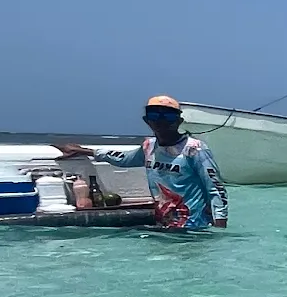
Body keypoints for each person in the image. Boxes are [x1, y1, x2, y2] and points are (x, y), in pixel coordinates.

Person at [61, 96, 228, 231]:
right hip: (164, 224)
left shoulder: (195, 149)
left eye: (169, 116)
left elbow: (216, 188)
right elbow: (123, 159)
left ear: (179, 120)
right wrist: (84, 151)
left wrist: (220, 227)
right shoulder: (149, 146)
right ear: (147, 120)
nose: (161, 121)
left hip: (194, 228)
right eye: (155, 115)